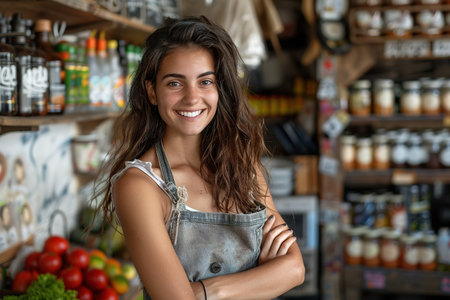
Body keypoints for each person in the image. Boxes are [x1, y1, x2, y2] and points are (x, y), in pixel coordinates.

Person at [95, 16, 305, 300]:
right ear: (151, 92)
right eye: (174, 84)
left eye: (205, 81)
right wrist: (262, 277)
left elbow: (294, 269)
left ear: (220, 89)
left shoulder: (241, 163)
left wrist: (206, 292)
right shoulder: (140, 184)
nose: (192, 99)